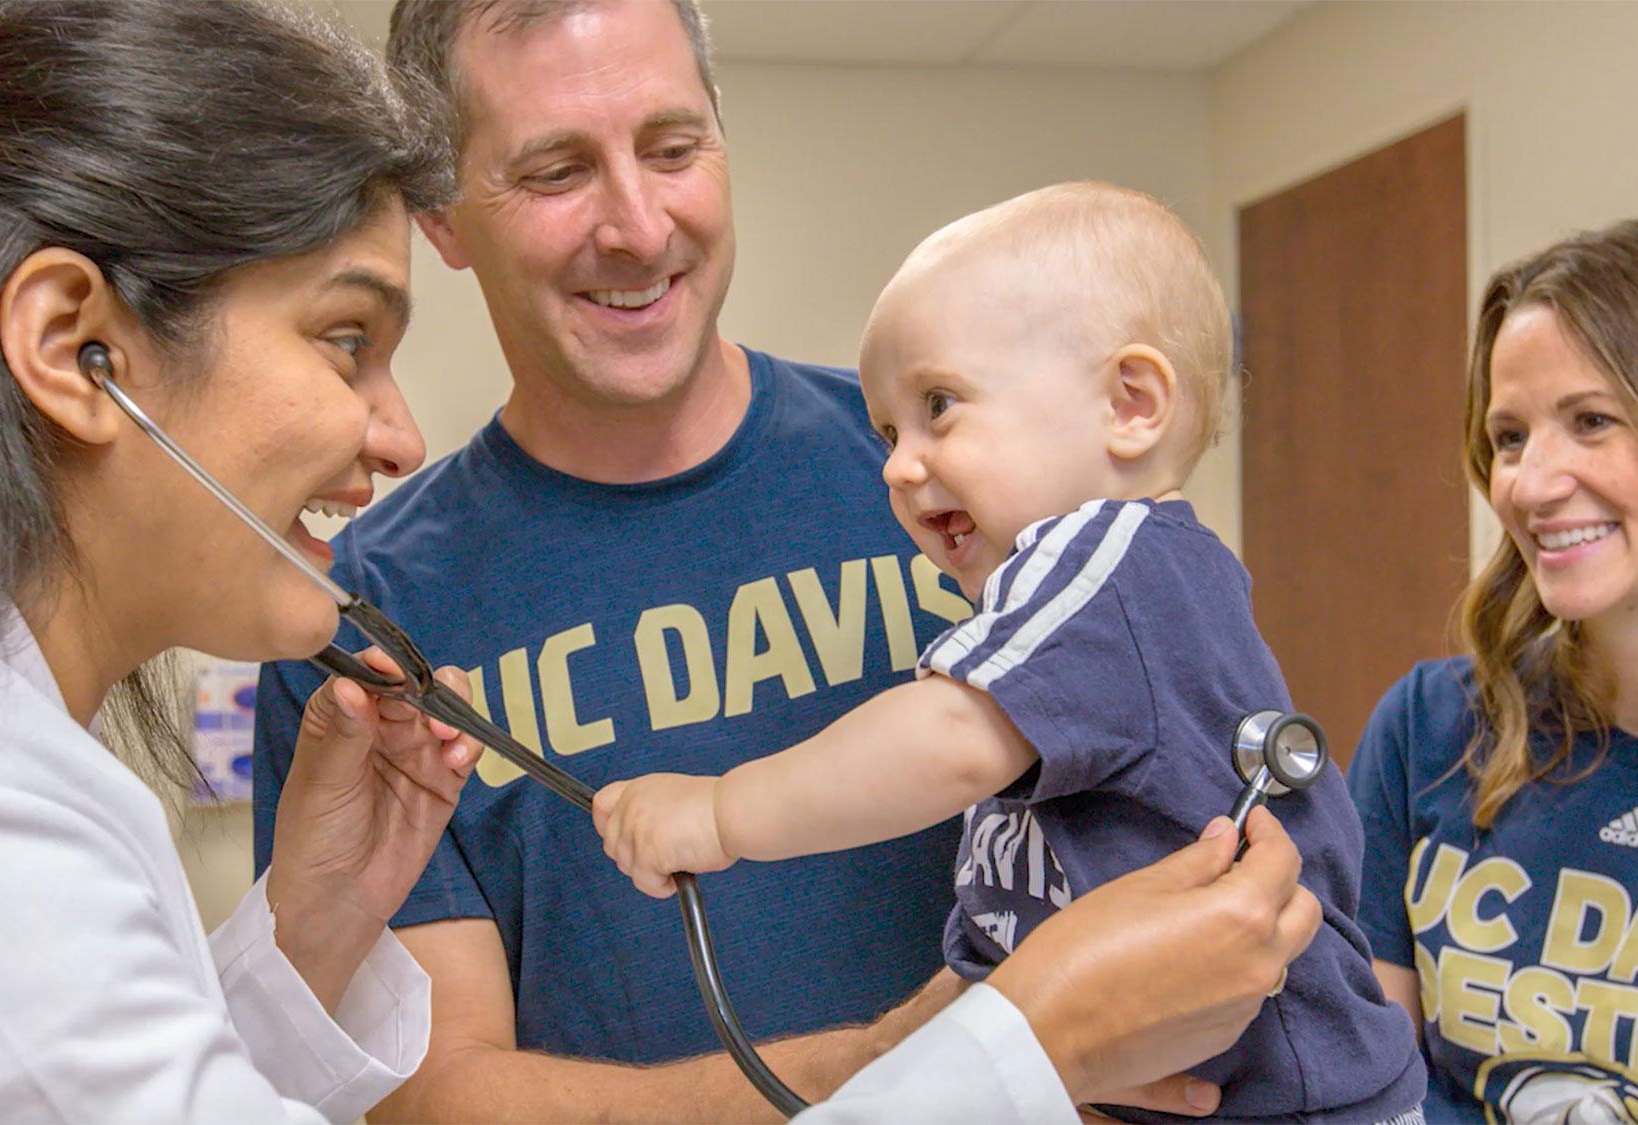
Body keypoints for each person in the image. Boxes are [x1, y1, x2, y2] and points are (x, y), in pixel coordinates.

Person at [253, 1, 1239, 1118]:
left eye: (673, 150)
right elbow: (438, 1098)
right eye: (557, 172)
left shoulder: (957, 485)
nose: (636, 225)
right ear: (440, 216)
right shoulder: (358, 616)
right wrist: (918, 1068)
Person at [596, 182, 1428, 1123]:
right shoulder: (1122, 583)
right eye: (886, 431)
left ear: (1130, 403)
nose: (898, 467)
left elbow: (949, 738)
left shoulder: (1106, 560)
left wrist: (717, 813)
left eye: (940, 406)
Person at [0, 0, 482, 1119]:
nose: (400, 437)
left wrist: (313, 923)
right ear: (77, 348)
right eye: (347, 340)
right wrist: (881, 1067)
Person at [1348, 219, 1638, 1123]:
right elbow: (1363, 1094)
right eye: (1510, 436)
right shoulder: (1428, 730)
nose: (1529, 482)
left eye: (1592, 421)